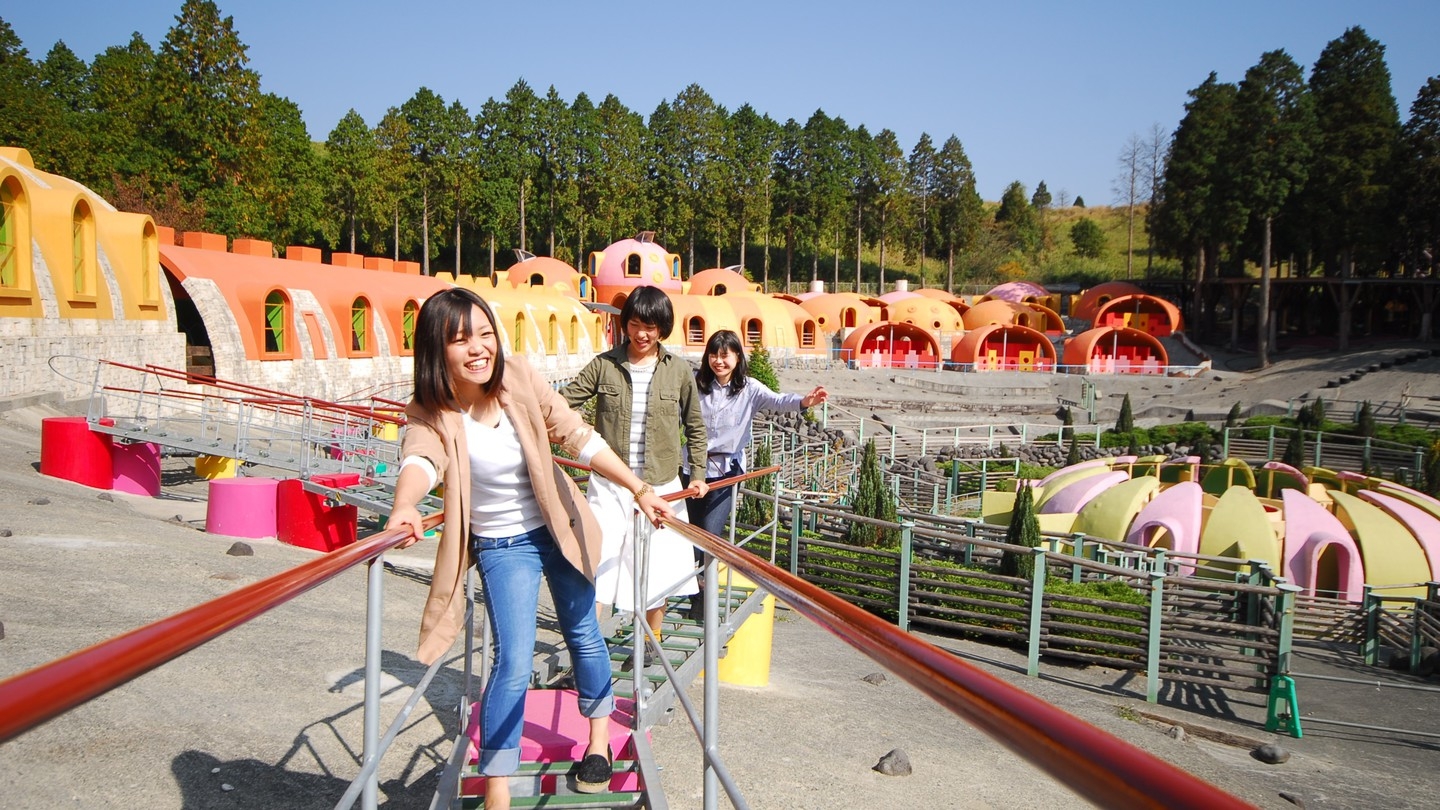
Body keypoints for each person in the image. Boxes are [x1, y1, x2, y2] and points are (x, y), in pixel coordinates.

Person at [385, 288, 674, 810]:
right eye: (460, 339)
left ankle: (599, 743)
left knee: (583, 631)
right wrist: (406, 504)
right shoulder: (430, 410)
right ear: (436, 349)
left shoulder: (517, 377)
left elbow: (576, 435)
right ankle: (498, 786)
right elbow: (421, 460)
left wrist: (638, 487)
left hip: (557, 525)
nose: (478, 348)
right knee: (513, 661)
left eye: (485, 333)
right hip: (501, 545)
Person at [561, 286, 708, 664]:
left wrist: (698, 473)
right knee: (596, 562)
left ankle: (650, 641)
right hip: (610, 484)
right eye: (636, 324)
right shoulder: (604, 365)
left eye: (651, 326)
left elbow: (694, 426)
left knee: (656, 566)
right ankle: (588, 651)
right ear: (625, 324)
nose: (642, 334)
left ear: (663, 328)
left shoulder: (678, 371)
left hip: (660, 484)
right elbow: (563, 405)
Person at [688, 328, 826, 552]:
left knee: (709, 532)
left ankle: (704, 584)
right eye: (713, 355)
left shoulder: (749, 388)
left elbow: (778, 401)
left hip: (727, 470)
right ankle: (694, 583)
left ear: (737, 357)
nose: (718, 361)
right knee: (689, 530)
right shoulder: (695, 383)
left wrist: (804, 402)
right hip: (692, 465)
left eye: (725, 356)